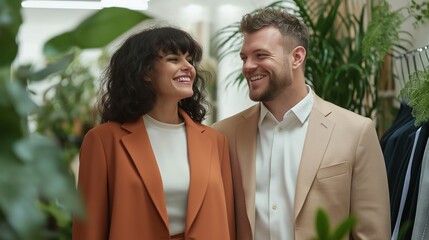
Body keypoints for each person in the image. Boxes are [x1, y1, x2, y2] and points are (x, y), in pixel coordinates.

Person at [213, 8, 390, 240]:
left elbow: (372, 233)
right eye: (244, 57)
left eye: (261, 55)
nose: (247, 66)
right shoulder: (224, 134)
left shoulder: (356, 131)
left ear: (296, 57)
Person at [72, 26, 235, 240]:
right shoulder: (103, 141)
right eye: (174, 59)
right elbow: (89, 228)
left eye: (189, 60)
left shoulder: (215, 141)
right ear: (145, 72)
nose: (188, 67)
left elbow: (227, 223)